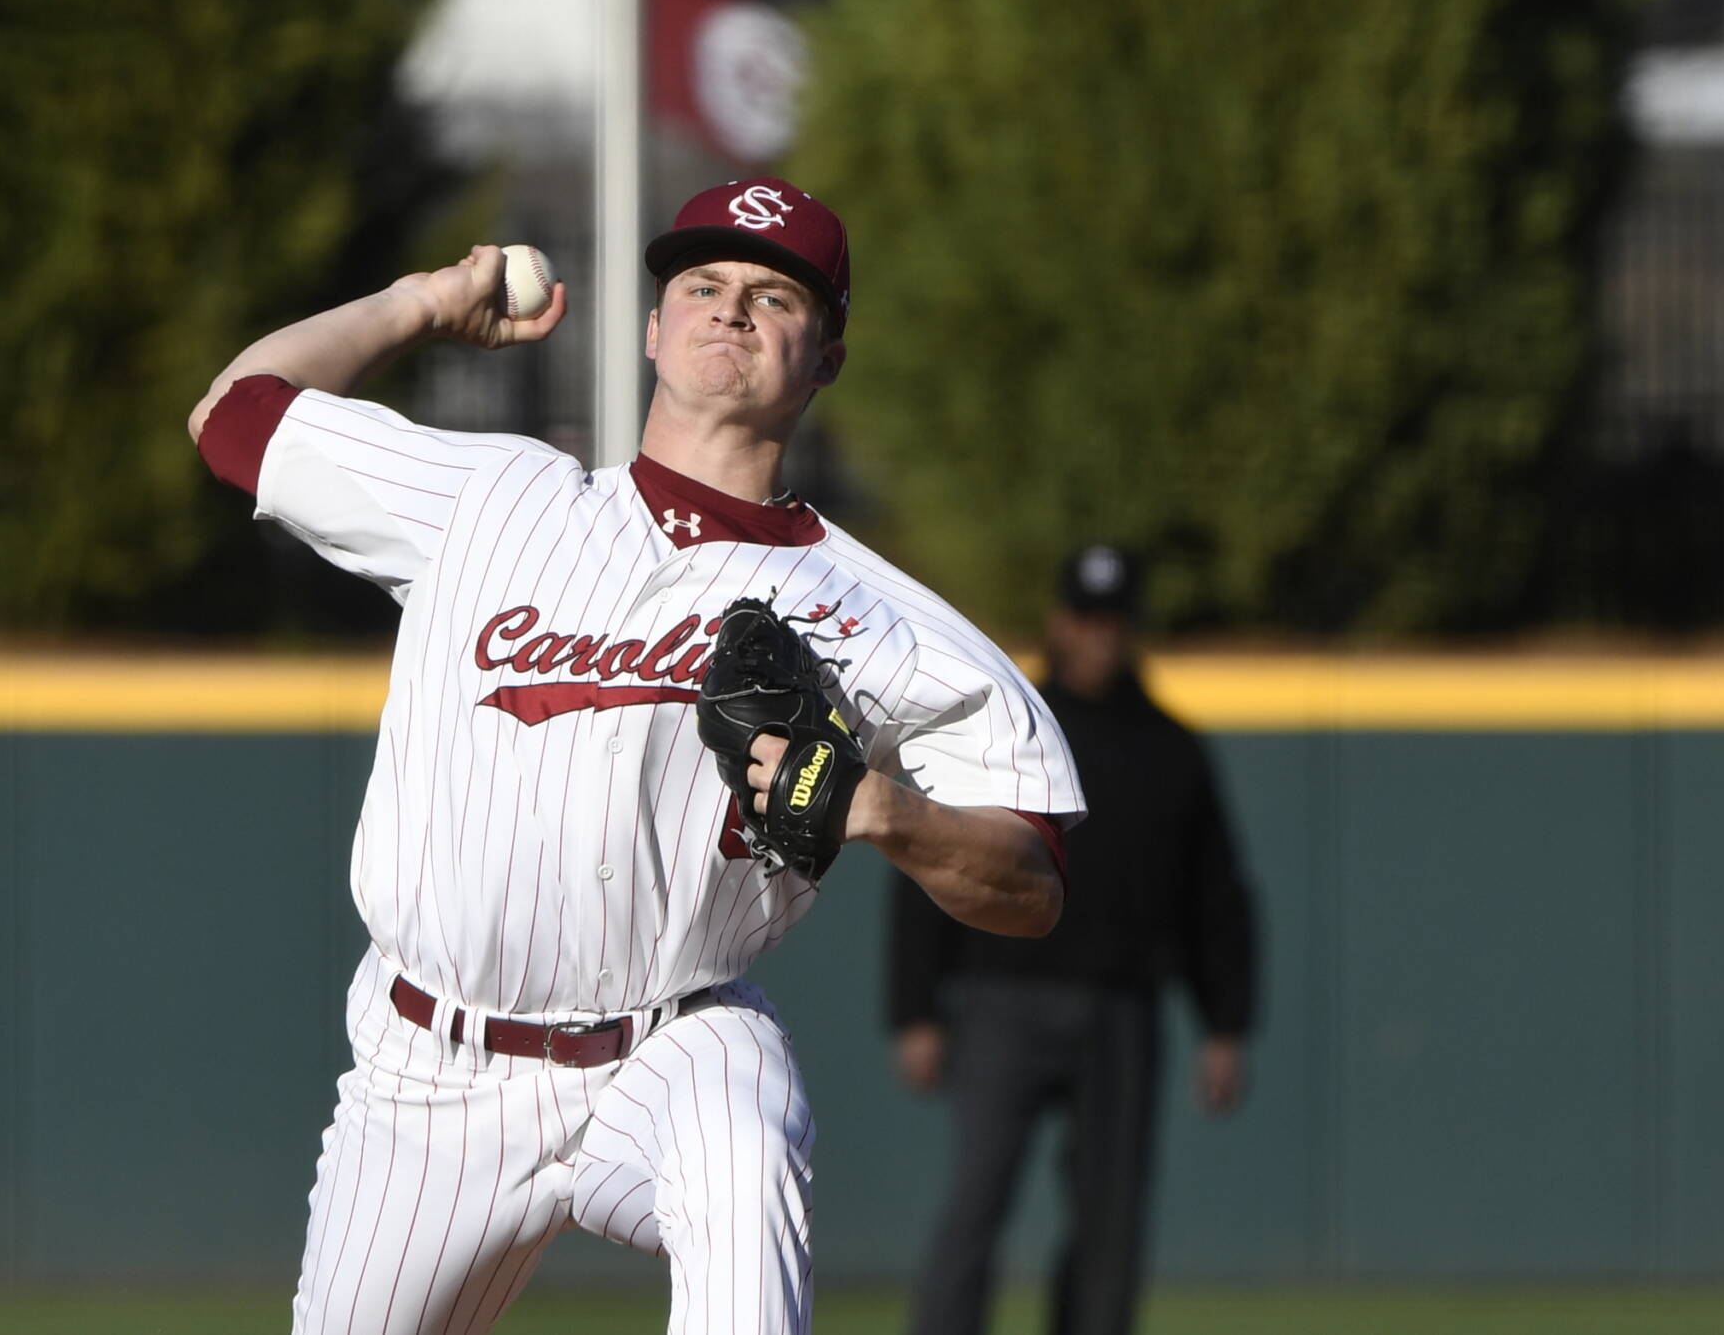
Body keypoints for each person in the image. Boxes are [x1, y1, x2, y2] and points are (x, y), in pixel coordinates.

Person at [188, 180, 1084, 1335]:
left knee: (741, 1142)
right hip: (428, 1065)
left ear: (827, 357)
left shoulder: (883, 617)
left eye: (775, 296)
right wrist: (417, 303)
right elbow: (235, 415)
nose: (732, 311)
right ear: (653, 329)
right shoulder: (492, 495)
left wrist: (886, 810)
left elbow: (1032, 880)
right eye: (702, 287)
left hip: (668, 1039)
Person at [889, 545, 1257, 1335]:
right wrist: (915, 1008)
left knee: (1110, 1225)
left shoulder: (1169, 746)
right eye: (1086, 620)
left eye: (1114, 622)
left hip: (1119, 1009)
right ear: (1061, 623)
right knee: (975, 1205)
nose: (1098, 638)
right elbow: (932, 857)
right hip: (1001, 1000)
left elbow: (1213, 897)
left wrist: (1225, 1024)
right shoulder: (1008, 727)